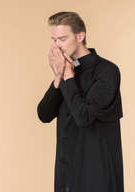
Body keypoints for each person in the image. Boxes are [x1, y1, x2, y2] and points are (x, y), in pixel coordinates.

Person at [37, 11, 124, 192]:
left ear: (80, 36)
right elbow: (43, 114)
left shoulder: (106, 72)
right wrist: (57, 78)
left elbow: (84, 116)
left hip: (96, 173)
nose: (57, 46)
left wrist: (68, 76)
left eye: (62, 39)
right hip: (67, 171)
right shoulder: (66, 71)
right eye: (54, 40)